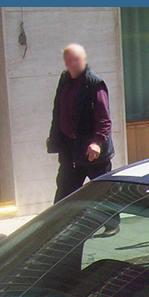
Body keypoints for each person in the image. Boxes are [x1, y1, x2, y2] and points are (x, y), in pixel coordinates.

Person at [47, 43, 115, 203]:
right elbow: (58, 112)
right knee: (64, 195)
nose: (73, 63)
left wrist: (97, 142)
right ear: (65, 62)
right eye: (69, 60)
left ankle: (112, 225)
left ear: (84, 59)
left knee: (102, 193)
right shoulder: (64, 79)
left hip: (92, 153)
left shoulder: (94, 83)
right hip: (70, 150)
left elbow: (104, 119)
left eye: (76, 59)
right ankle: (60, 227)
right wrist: (54, 136)